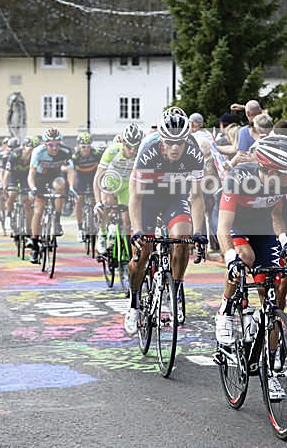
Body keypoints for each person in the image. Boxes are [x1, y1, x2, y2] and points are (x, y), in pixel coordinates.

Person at [214, 134, 287, 348]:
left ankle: (271, 359)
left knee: (274, 289)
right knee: (245, 256)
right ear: (272, 172)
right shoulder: (238, 177)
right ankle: (225, 310)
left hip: (263, 231)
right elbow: (223, 227)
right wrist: (230, 258)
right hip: (236, 227)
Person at [124, 108, 206, 334]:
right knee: (142, 252)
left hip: (174, 197)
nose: (175, 147)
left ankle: (176, 291)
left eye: (180, 142)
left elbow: (197, 196)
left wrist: (199, 232)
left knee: (183, 240)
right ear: (162, 139)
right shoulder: (148, 150)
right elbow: (135, 196)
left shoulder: (193, 152)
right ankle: (134, 302)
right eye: (170, 142)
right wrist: (138, 231)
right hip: (147, 199)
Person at [94, 123, 143, 255]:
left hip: (127, 185)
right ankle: (102, 233)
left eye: (136, 147)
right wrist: (98, 202)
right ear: (123, 143)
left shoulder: (140, 153)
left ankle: (126, 253)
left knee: (127, 221)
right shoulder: (112, 151)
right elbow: (98, 177)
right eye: (129, 146)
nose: (133, 150)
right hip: (111, 181)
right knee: (107, 205)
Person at [28, 128, 73, 264]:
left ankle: (57, 220)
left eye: (57, 144)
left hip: (55, 176)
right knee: (38, 211)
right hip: (40, 178)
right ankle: (35, 246)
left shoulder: (65, 152)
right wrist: (33, 188)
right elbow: (31, 174)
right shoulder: (38, 152)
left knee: (61, 185)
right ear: (45, 144)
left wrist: (71, 188)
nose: (54, 148)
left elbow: (71, 171)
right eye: (51, 145)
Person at [68, 132, 103, 241]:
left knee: (95, 200)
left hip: (93, 175)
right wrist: (71, 187)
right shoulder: (75, 156)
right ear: (79, 146)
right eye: (83, 147)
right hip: (81, 177)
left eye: (88, 146)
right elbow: (71, 172)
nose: (86, 149)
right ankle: (80, 229)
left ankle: (97, 224)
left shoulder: (96, 153)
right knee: (79, 200)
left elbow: (103, 169)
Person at [4, 136, 36, 238]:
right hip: (14, 175)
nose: (30, 153)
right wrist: (5, 187)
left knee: (27, 202)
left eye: (33, 150)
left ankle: (28, 229)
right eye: (30, 149)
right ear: (23, 147)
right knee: (12, 194)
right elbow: (7, 173)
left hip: (26, 177)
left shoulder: (35, 157)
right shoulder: (15, 154)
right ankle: (8, 215)